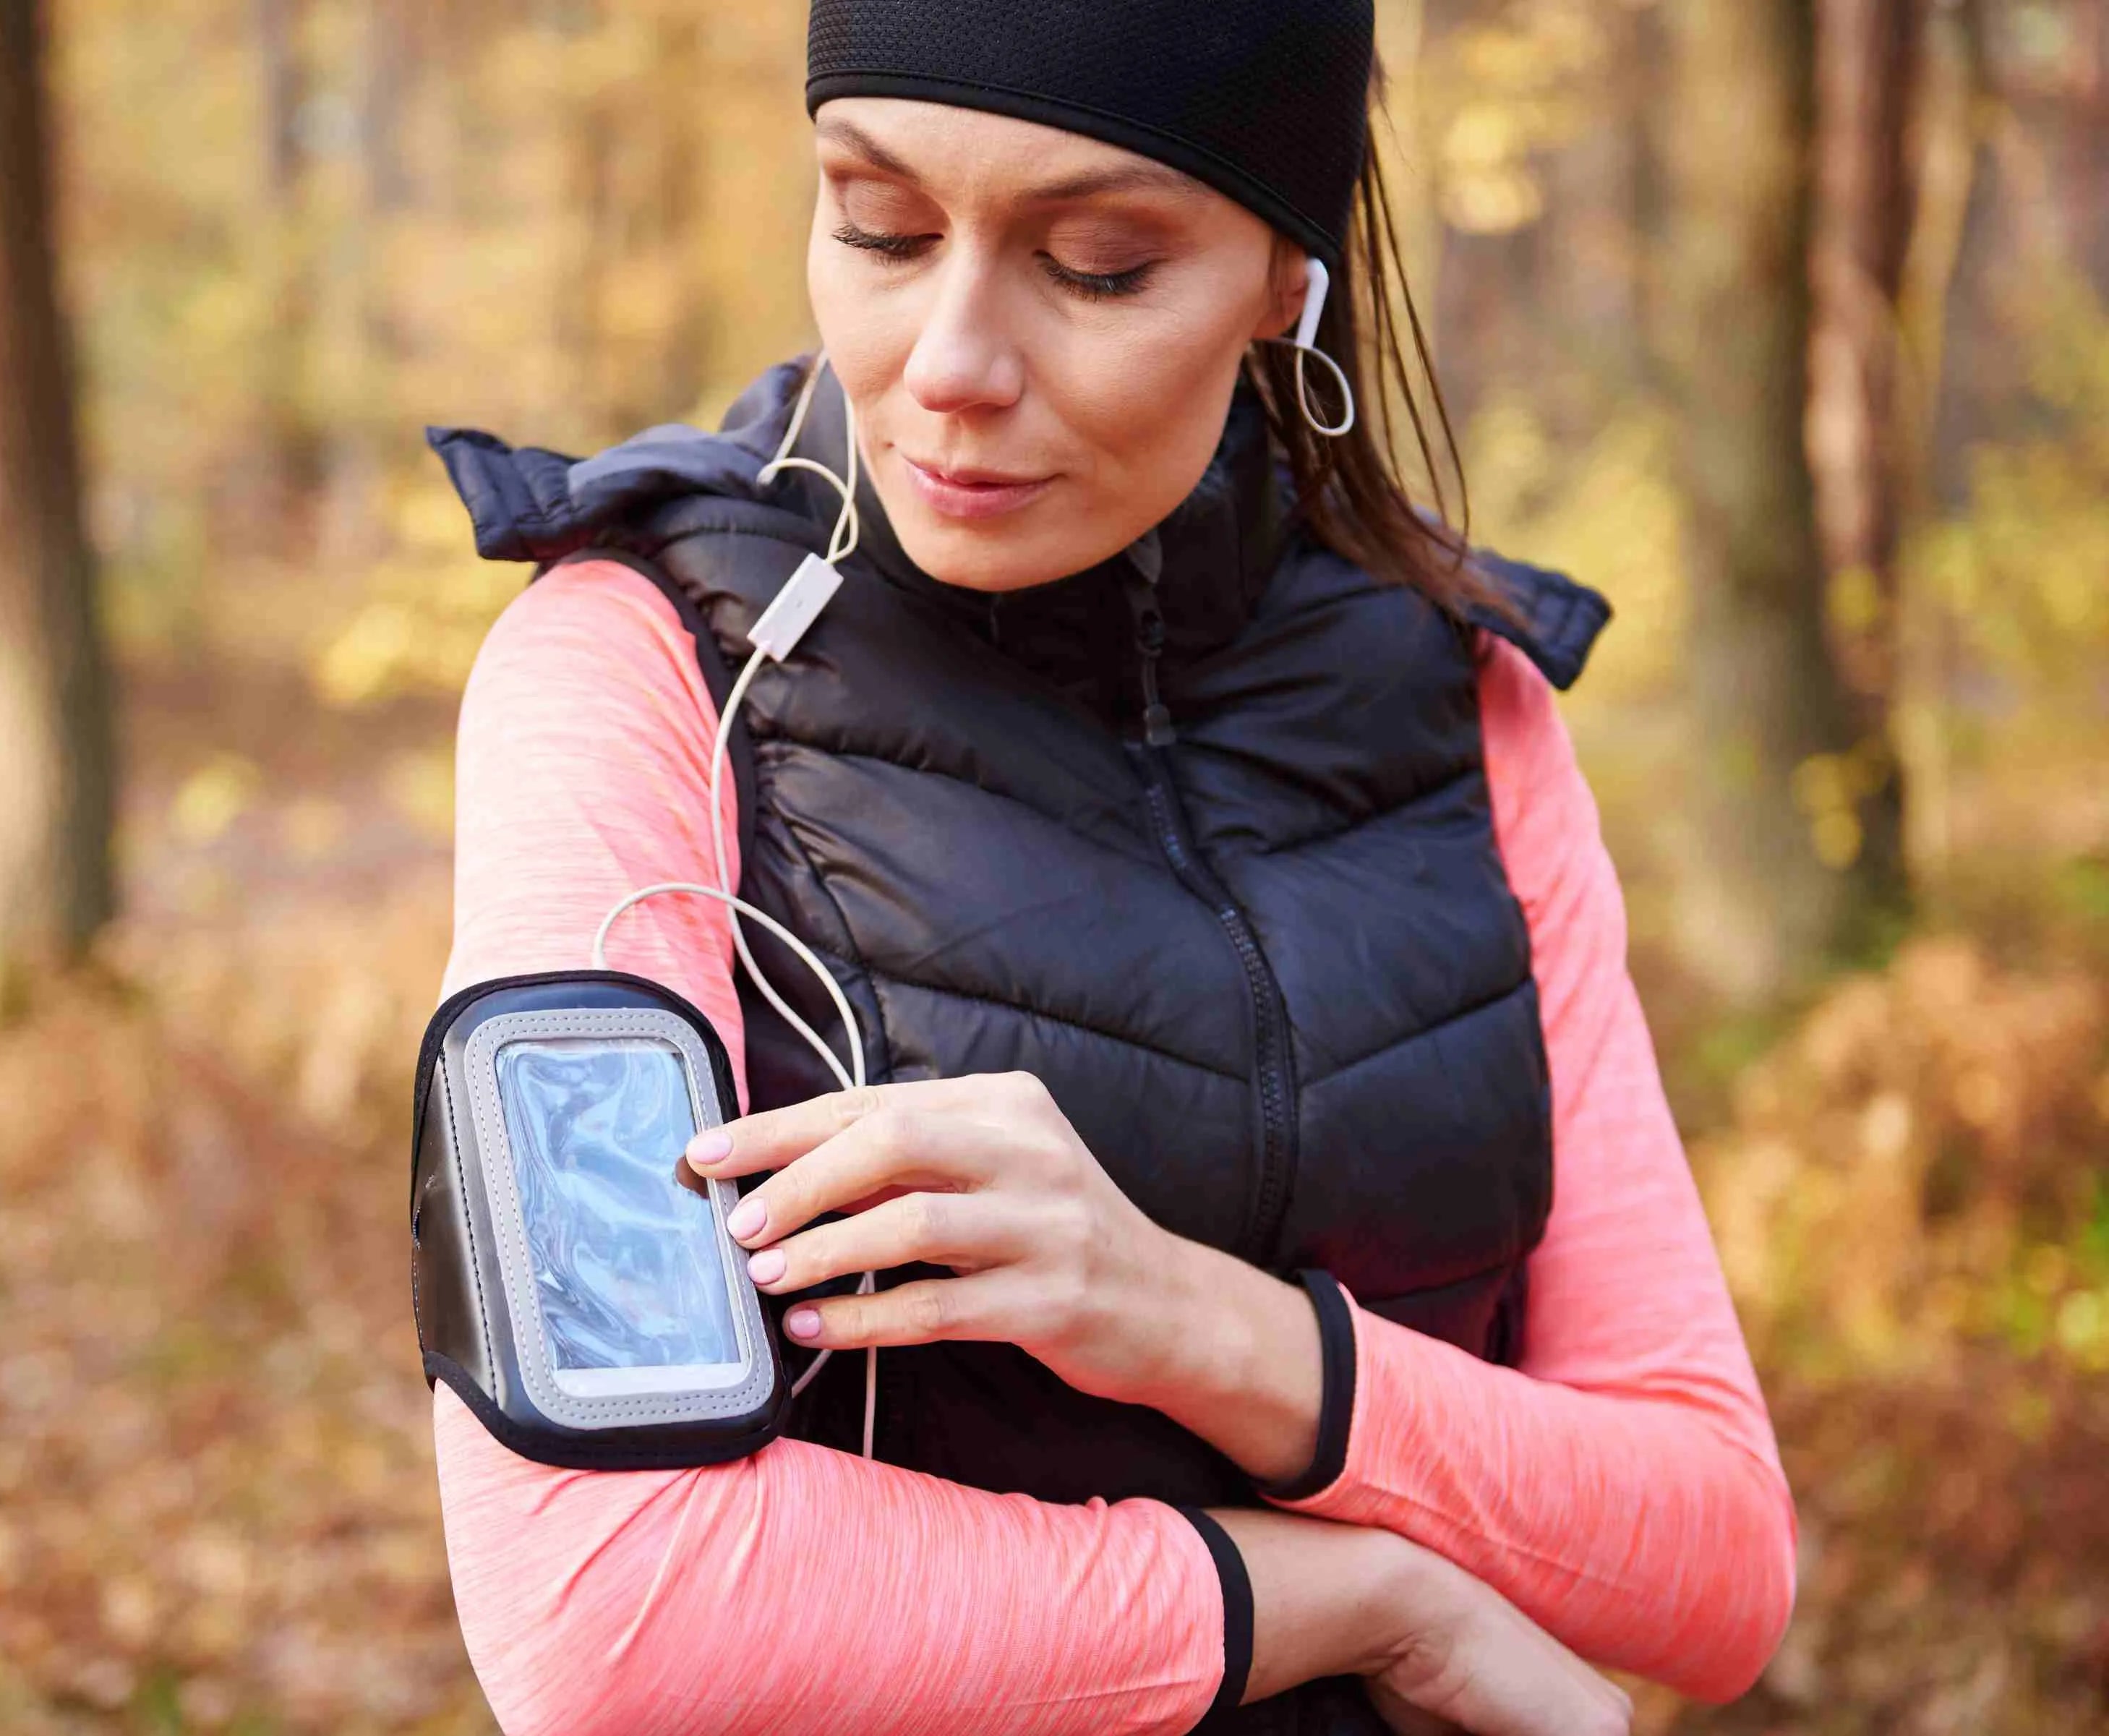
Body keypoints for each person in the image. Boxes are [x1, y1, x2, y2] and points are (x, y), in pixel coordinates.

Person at [420, 2, 1797, 1731]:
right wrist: (1365, 1601)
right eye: (879, 224)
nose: (948, 363)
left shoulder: (1461, 697)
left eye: (1094, 264)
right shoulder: (640, 664)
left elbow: (1712, 1557)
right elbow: (603, 1605)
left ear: (1280, 282)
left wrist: (1180, 1316)